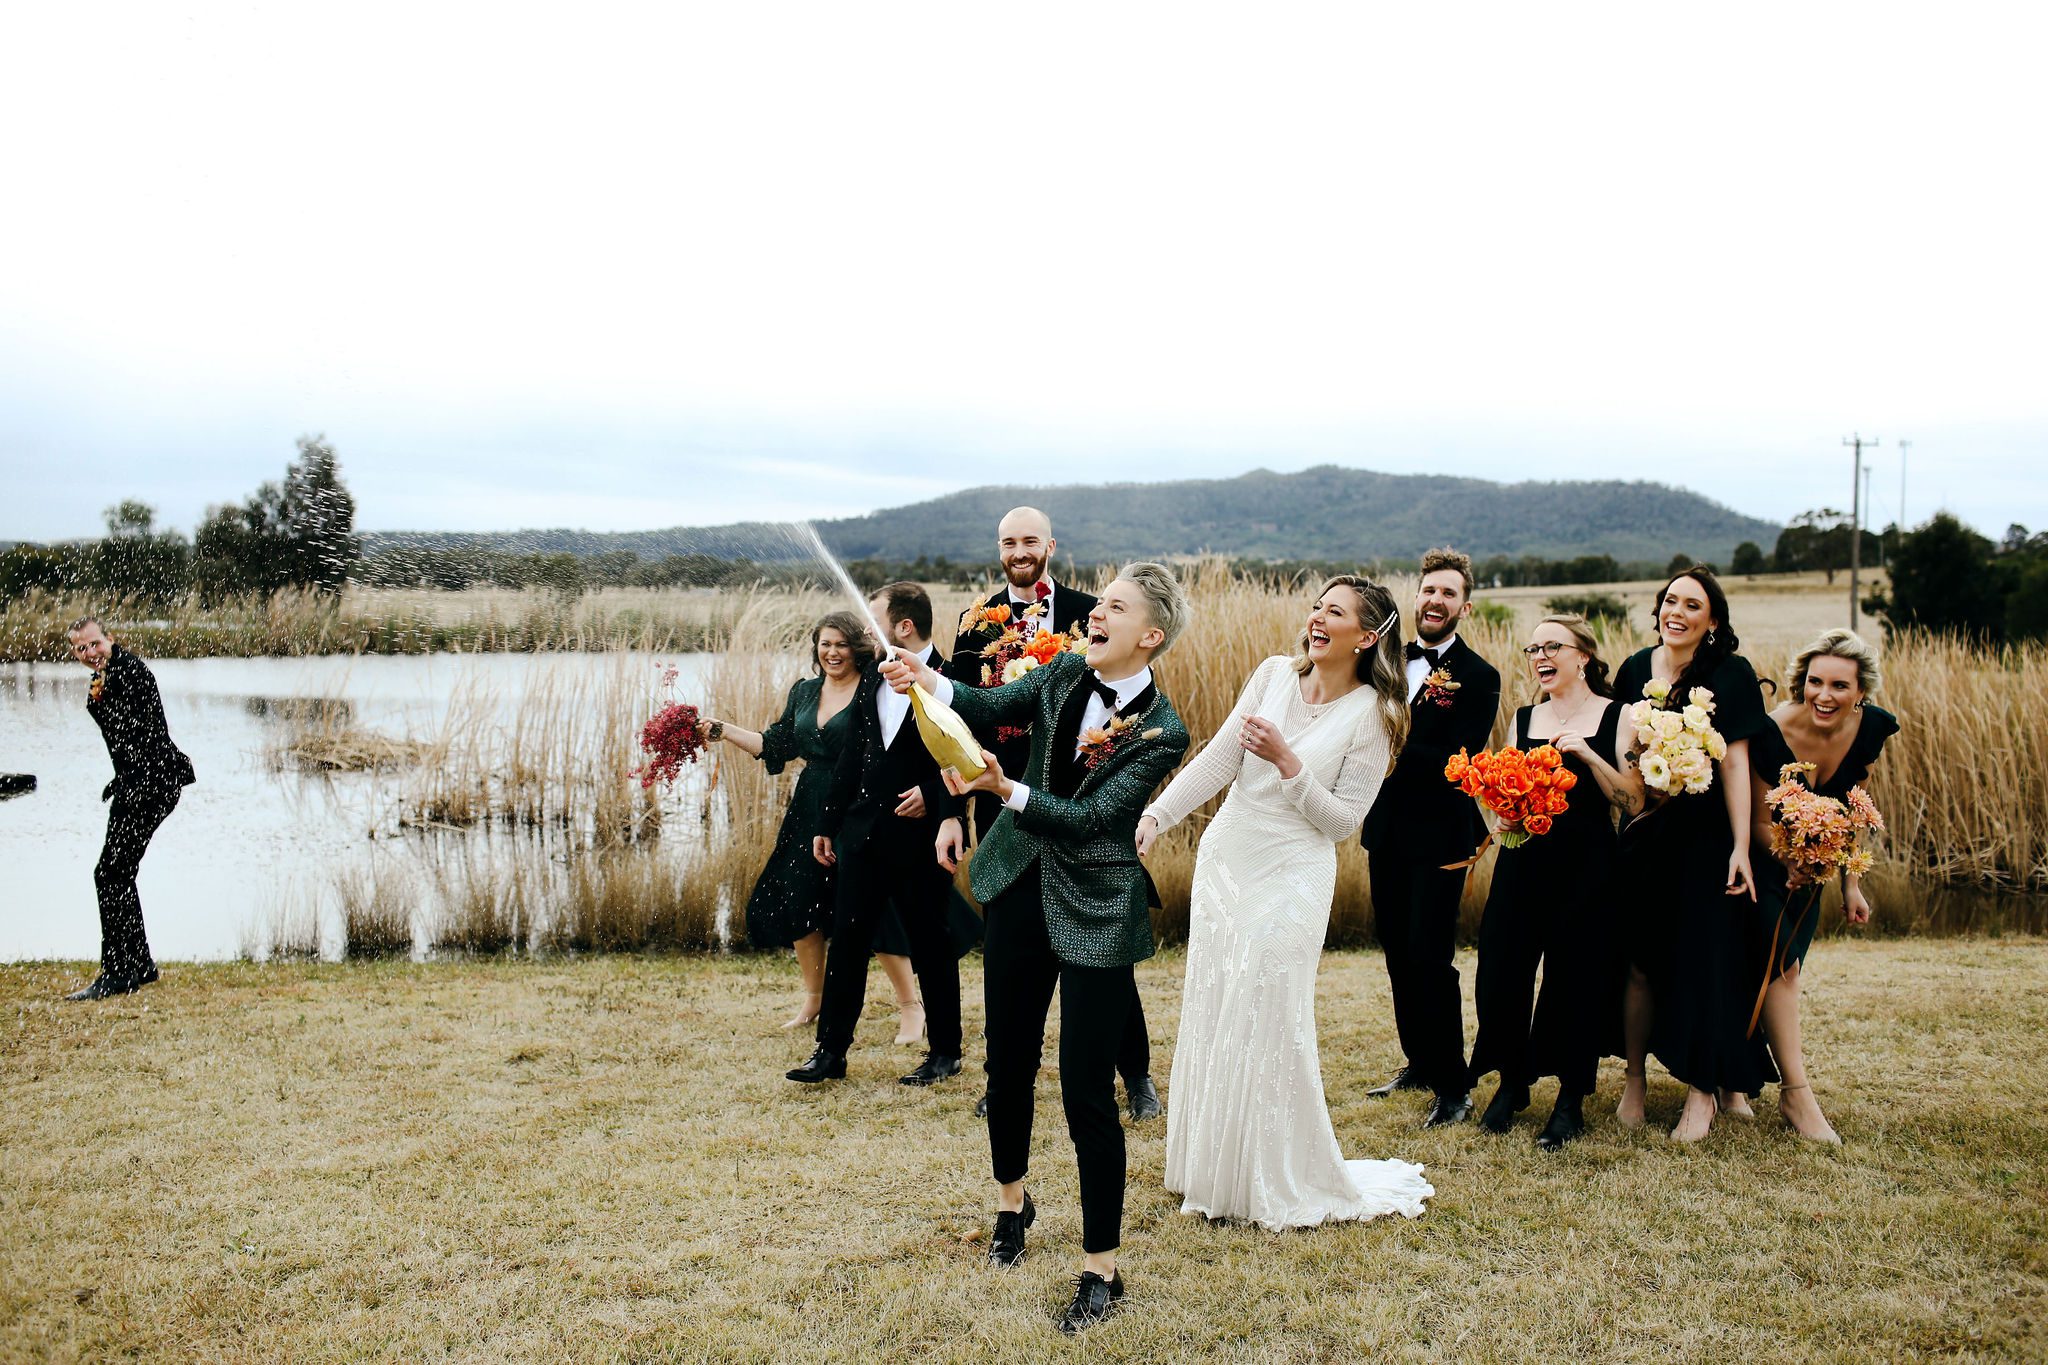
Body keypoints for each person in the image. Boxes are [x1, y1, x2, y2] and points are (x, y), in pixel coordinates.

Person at [885, 563, 1190, 1335]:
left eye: (1116, 606)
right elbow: (985, 701)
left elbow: (1092, 820)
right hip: (1018, 882)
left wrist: (1002, 790)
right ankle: (1011, 1207)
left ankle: (1101, 1270)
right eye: (1102, 603)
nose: (1098, 612)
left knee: (1087, 1089)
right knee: (1008, 1060)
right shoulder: (1058, 672)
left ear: (1150, 635)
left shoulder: (1163, 730)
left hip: (1096, 903)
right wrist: (927, 677)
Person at [1137, 576, 1434, 1228]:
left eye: (1336, 611)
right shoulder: (1273, 674)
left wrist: (1288, 761)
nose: (1317, 618)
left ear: (1369, 635)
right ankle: (1214, 1171)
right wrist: (1158, 815)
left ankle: (1271, 1172)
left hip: (1294, 873)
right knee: (1220, 1004)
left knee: (1269, 1004)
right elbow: (1219, 758)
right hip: (1229, 863)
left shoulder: (1375, 715)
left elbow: (1341, 823)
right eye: (1316, 607)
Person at [942, 505, 1161, 1122]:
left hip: (1078, 794)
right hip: (999, 794)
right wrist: (952, 807)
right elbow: (965, 708)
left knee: (1099, 947)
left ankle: (1136, 1073)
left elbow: (1126, 702)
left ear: (1049, 546)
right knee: (1011, 953)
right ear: (999, 548)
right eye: (1008, 541)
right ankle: (1004, 1076)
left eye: (1029, 540)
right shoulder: (974, 621)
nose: (1019, 550)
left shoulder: (1093, 613)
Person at [704, 611, 965, 1041]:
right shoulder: (805, 692)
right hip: (811, 808)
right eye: (825, 644)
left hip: (860, 806)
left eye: (841, 644)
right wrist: (723, 730)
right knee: (801, 899)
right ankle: (814, 998)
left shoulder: (876, 684)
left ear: (857, 648)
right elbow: (777, 744)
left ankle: (910, 1006)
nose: (832, 652)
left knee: (873, 914)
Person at [1466, 615, 1638, 1150]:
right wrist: (1503, 812)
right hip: (1523, 863)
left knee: (1576, 976)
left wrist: (1588, 755)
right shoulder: (1523, 718)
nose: (1540, 656)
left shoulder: (1619, 716)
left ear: (1583, 655)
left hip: (1587, 865)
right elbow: (1507, 791)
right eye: (1533, 648)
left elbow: (1632, 800)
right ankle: (1512, 1081)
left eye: (1552, 646)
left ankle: (1570, 1099)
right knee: (1502, 968)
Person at [1612, 567, 1770, 1142]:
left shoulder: (1729, 674)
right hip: (1646, 832)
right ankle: (1634, 1080)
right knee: (1641, 962)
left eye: (1692, 604)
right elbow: (1625, 755)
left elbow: (1735, 764)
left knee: (1706, 959)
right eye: (1670, 600)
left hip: (1705, 839)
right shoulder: (1635, 669)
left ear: (1712, 621)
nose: (1676, 611)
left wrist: (1740, 847)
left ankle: (1704, 1094)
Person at [785, 584, 964, 1088]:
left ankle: (945, 1052)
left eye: (872, 619)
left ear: (904, 626)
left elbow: (969, 753)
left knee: (930, 941)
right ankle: (831, 1052)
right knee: (848, 940)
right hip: (862, 833)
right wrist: (827, 822)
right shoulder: (872, 680)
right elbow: (852, 756)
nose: (864, 629)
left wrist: (936, 794)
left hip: (922, 836)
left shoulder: (952, 680)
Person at [1360, 547, 1501, 1128]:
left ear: (1464, 608)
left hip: (1443, 837)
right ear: (1416, 597)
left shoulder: (1481, 677)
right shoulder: (1385, 661)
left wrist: (1383, 747)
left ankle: (1453, 1084)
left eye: (1448, 593)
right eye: (1428, 590)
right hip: (1386, 830)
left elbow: (1455, 757)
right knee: (1397, 953)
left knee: (1431, 957)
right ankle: (1418, 1061)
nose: (1435, 600)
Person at [1745, 628, 1896, 1143]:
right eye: (1815, 682)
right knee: (1778, 969)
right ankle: (1796, 1092)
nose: (1824, 696)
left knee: (1780, 971)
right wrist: (1788, 859)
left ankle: (1735, 1083)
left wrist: (1851, 883)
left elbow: (1854, 805)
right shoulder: (1772, 730)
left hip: (1816, 871)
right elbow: (1754, 818)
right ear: (1800, 683)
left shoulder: (1870, 730)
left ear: (1861, 693)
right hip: (1762, 863)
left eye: (1839, 686)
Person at [65, 616, 195, 1001]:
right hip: (141, 782)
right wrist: (120, 778)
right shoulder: (107, 674)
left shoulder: (128, 672)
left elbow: (145, 732)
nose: (90, 653)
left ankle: (118, 973)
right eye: (80, 648)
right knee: (117, 873)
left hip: (151, 784)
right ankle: (137, 964)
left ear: (110, 638)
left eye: (94, 644)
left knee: (110, 873)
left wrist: (132, 783)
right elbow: (125, 737)